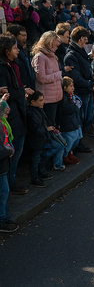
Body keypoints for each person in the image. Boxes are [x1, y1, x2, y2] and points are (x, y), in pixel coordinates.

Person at [0, 33, 33, 194]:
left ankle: (10, 181)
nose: (18, 50)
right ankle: (9, 183)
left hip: (17, 111)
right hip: (10, 115)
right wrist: (22, 91)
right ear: (7, 51)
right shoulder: (2, 68)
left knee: (17, 148)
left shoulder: (12, 64)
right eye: (14, 48)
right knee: (13, 150)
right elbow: (7, 94)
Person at [26, 91, 65, 187]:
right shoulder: (32, 113)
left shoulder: (38, 110)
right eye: (40, 100)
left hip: (41, 139)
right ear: (33, 102)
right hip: (36, 140)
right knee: (35, 159)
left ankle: (41, 171)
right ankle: (35, 178)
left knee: (54, 148)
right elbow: (36, 129)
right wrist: (46, 129)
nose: (43, 102)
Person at [32, 31, 67, 123]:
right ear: (50, 41)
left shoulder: (52, 56)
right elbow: (41, 77)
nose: (59, 44)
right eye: (57, 41)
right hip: (47, 99)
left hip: (55, 97)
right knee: (49, 124)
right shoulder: (40, 57)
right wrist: (58, 75)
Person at [0, 100, 18, 233]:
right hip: (1, 165)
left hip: (4, 165)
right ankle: (1, 220)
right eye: (4, 109)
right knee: (3, 192)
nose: (8, 111)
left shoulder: (3, 124)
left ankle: (4, 217)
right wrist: (9, 150)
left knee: (4, 192)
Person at [58, 77, 82, 166]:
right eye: (71, 86)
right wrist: (75, 107)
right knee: (69, 140)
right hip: (67, 123)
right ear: (65, 87)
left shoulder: (69, 96)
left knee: (76, 138)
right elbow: (66, 109)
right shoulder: (63, 98)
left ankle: (69, 153)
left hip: (73, 121)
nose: (73, 88)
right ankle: (65, 156)